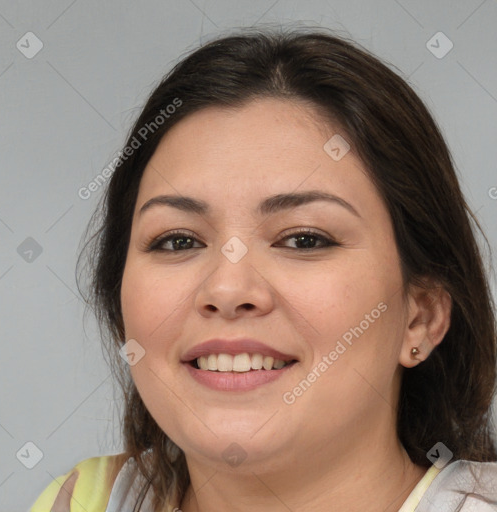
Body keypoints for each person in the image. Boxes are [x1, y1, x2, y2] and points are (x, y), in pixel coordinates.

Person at [30, 26, 497, 512]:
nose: (228, 287)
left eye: (304, 239)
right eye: (178, 240)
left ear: (420, 316)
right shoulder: (81, 501)